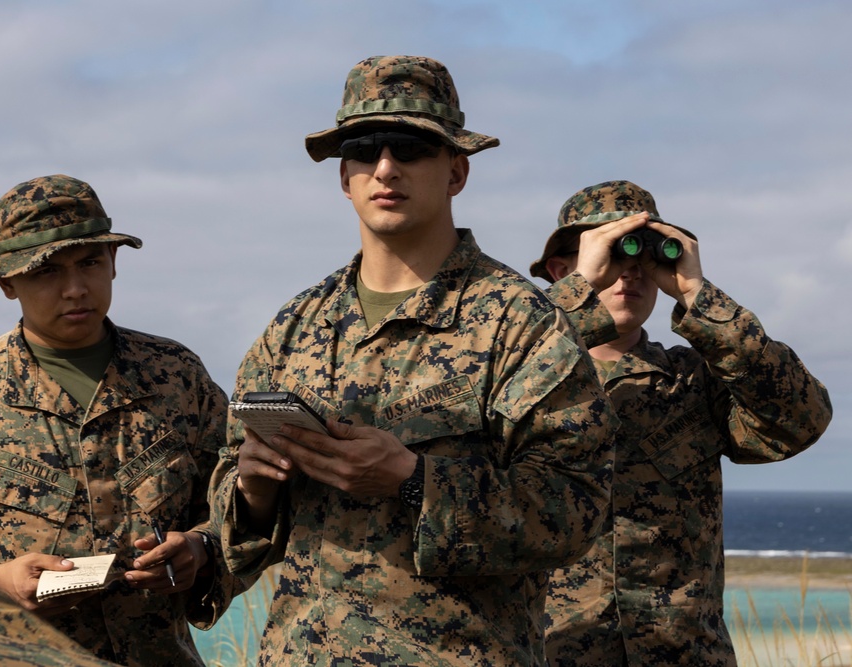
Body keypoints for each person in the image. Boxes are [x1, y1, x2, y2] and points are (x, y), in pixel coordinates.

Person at [207, 55, 619, 666]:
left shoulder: (520, 324)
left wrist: (416, 482)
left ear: (456, 171)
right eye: (364, 150)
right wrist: (253, 486)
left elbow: (575, 508)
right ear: (343, 178)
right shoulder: (294, 328)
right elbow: (227, 513)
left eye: (410, 147)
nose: (385, 167)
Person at [0, 174, 245, 667]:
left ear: (113, 263)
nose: (75, 289)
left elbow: (238, 503)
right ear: (7, 283)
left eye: (90, 263)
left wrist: (200, 548)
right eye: (46, 272)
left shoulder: (176, 375)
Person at [529, 180, 833, 666]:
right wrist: (576, 295)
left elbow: (801, 421)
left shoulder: (694, 380)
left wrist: (699, 297)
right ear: (562, 269)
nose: (629, 275)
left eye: (646, 259)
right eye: (612, 256)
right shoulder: (518, 379)